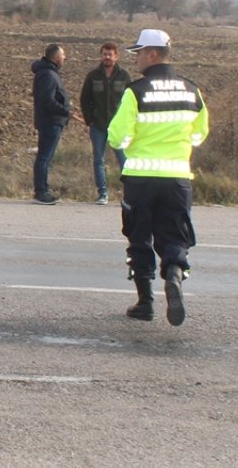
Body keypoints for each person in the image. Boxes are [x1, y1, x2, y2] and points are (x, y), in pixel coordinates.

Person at [108, 29, 209, 326]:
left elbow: (117, 136)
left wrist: (133, 141)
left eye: (139, 52)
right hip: (177, 178)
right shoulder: (192, 91)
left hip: (140, 178)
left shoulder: (135, 91)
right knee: (175, 235)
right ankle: (175, 276)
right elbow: (200, 134)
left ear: (152, 54)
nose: (136, 58)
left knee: (139, 237)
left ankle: (145, 303)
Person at [79, 42, 132, 205]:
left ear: (116, 56)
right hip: (98, 126)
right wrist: (90, 119)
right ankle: (102, 193)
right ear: (101, 56)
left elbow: (130, 100)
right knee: (98, 160)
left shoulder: (124, 76)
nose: (107, 57)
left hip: (118, 127)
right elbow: (85, 98)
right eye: (104, 54)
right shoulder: (93, 75)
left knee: (124, 160)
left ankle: (130, 194)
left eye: (110, 54)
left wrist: (128, 122)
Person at [30, 44, 84, 205]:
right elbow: (47, 100)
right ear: (55, 57)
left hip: (52, 121)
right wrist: (67, 113)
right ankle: (41, 192)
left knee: (45, 157)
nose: (65, 58)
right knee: (44, 158)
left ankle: (43, 190)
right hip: (50, 122)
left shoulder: (49, 73)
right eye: (63, 55)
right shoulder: (47, 75)